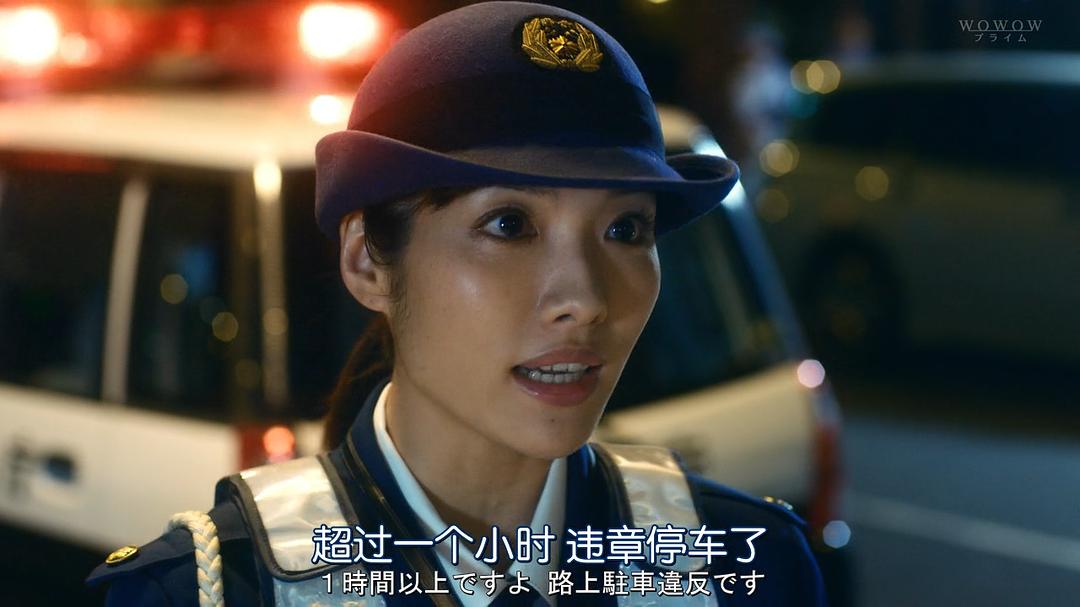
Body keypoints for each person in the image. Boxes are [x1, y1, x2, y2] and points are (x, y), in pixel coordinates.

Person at [86, 2, 828, 606]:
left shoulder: (751, 570)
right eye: (508, 224)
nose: (585, 299)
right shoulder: (211, 590)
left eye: (625, 229)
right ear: (367, 261)